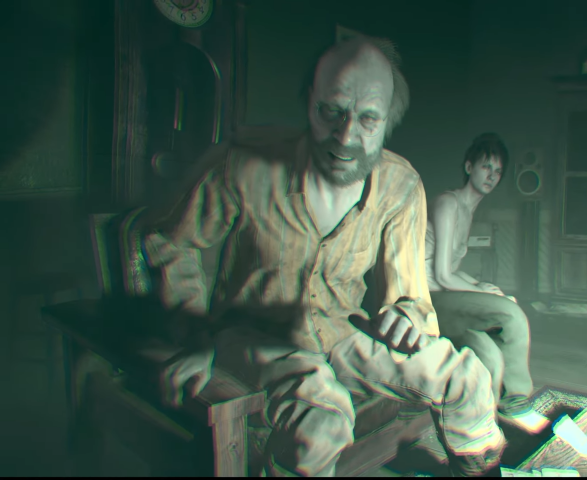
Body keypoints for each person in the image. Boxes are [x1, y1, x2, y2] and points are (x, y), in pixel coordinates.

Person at [138, 35, 505, 477]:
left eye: (368, 119)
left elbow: (411, 296)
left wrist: (406, 315)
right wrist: (195, 335)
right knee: (324, 422)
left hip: (343, 330)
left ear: (388, 121)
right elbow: (169, 241)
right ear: (309, 101)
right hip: (258, 336)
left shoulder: (400, 186)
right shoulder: (243, 163)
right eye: (331, 111)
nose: (346, 136)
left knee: (466, 378)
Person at [424, 133, 549, 434]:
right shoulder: (448, 203)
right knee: (511, 314)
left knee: (488, 351)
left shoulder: (468, 210)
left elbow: (451, 269)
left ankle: (490, 421)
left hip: (443, 294)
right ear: (469, 167)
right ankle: (517, 401)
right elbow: (441, 276)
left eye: (498, 171)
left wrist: (483, 285)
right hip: (426, 298)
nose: (492, 176)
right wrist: (484, 293)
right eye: (485, 167)